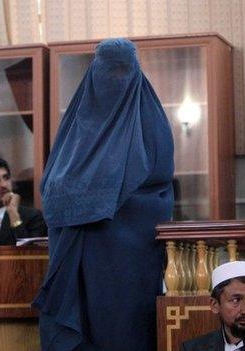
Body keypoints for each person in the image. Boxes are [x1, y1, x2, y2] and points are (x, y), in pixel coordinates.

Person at [33, 38, 174, 351]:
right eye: (109, 71)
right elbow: (52, 191)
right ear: (94, 73)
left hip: (132, 260)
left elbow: (160, 184)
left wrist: (91, 197)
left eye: (123, 70)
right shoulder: (77, 126)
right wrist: (102, 197)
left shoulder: (150, 121)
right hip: (83, 261)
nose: (116, 80)